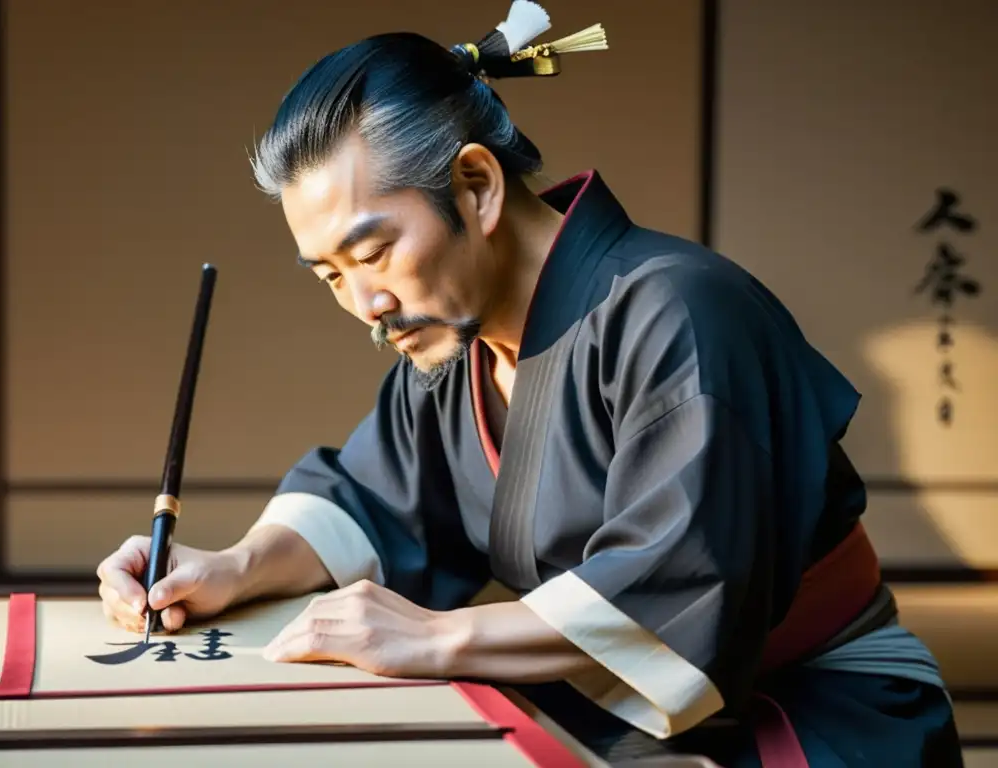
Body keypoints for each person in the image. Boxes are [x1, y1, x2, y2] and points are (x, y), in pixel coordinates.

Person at [96, 3, 964, 766]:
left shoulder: (678, 313)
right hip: (607, 701)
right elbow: (369, 502)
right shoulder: (452, 345)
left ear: (475, 187)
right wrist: (233, 567)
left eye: (373, 252)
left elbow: (687, 590)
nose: (368, 304)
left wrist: (441, 637)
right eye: (330, 275)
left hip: (813, 710)